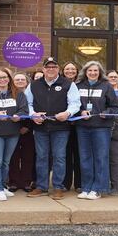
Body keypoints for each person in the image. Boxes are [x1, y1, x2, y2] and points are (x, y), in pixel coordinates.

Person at [26, 57, 81, 200]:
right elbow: (27, 104)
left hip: (61, 127)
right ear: (43, 69)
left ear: (58, 69)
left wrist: (67, 113)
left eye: (54, 67)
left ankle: (58, 187)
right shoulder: (33, 85)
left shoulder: (68, 84)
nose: (51, 69)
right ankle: (41, 187)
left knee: (59, 157)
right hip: (40, 127)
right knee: (42, 157)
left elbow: (75, 103)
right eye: (48, 67)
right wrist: (33, 115)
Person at [74, 61, 118, 200]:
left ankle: (98, 188)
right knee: (85, 158)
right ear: (85, 72)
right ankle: (86, 187)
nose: (93, 73)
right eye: (90, 71)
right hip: (83, 127)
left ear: (100, 72)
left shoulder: (106, 86)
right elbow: (72, 105)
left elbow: (116, 107)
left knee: (101, 158)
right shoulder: (77, 86)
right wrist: (81, 112)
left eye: (95, 70)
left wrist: (106, 112)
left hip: (101, 128)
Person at [0, 67, 29, 201]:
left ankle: (3, 185)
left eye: (5, 77)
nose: (2, 80)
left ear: (9, 79)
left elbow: (24, 110)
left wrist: (19, 116)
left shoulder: (18, 93)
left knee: (6, 162)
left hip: (12, 132)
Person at [7, 72, 36, 193]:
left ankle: (26, 182)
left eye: (22, 79)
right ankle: (13, 182)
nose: (19, 81)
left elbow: (34, 110)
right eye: (17, 79)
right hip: (12, 129)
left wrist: (27, 127)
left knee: (27, 157)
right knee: (13, 156)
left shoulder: (32, 95)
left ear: (27, 82)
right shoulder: (10, 95)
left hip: (28, 130)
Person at [61, 61, 81, 192]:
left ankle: (79, 183)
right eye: (67, 69)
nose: (70, 71)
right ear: (63, 71)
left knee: (79, 154)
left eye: (73, 69)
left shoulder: (81, 85)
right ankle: (65, 183)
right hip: (63, 125)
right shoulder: (60, 85)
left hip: (80, 125)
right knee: (65, 155)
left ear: (77, 71)